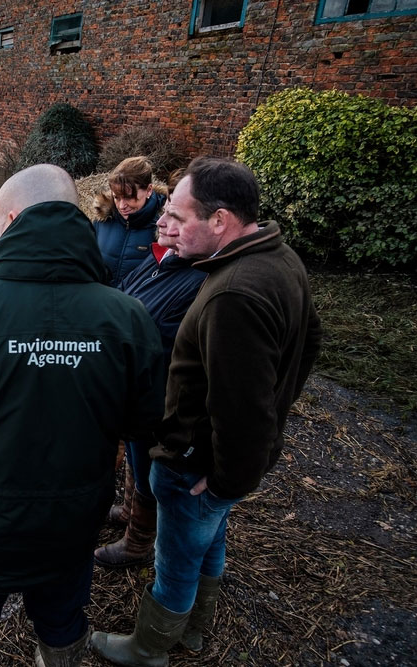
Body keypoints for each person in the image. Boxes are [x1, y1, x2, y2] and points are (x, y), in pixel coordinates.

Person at [0, 164, 165, 667]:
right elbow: (142, 422)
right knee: (63, 623)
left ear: (15, 218)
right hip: (71, 521)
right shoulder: (127, 316)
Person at [91, 157, 322, 664]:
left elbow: (242, 408)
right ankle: (195, 628)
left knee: (175, 559)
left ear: (220, 221)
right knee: (208, 539)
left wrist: (223, 480)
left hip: (195, 462)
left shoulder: (232, 293)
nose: (165, 222)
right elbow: (308, 349)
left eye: (179, 213)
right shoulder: (281, 259)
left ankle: (149, 646)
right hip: (217, 463)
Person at [95, 169, 207, 570]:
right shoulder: (163, 259)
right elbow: (128, 297)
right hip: (137, 384)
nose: (161, 224)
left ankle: (138, 542)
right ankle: (129, 512)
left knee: (145, 459)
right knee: (135, 452)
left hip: (155, 392)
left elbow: (163, 338)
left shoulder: (196, 277)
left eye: (174, 219)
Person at [92, 156, 168, 288]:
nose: (121, 206)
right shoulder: (103, 220)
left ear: (149, 190)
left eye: (129, 198)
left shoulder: (165, 228)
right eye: (116, 197)